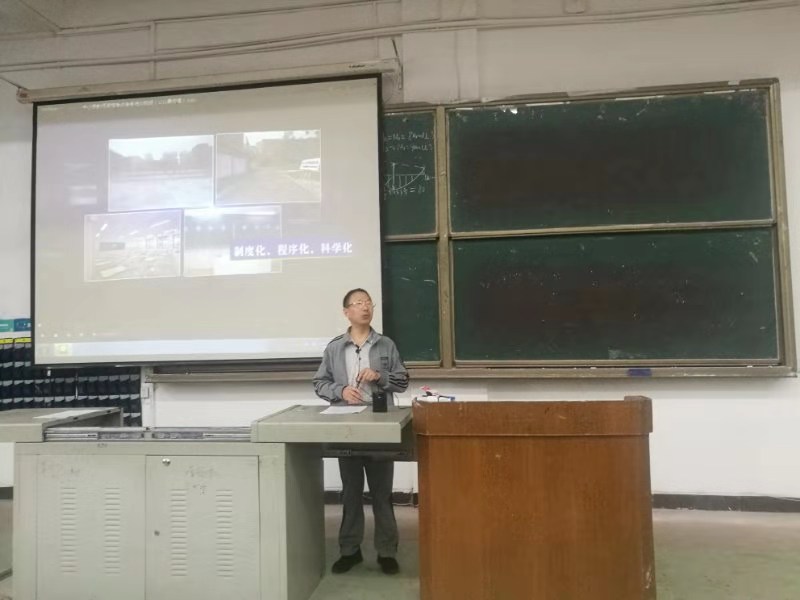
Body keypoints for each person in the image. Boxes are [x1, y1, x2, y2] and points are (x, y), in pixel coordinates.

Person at [312, 288, 409, 575]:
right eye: (358, 303)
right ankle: (349, 551)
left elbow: (402, 381)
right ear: (347, 312)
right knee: (351, 493)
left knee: (382, 493)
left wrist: (379, 376)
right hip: (347, 426)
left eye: (368, 303)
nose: (365, 307)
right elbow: (320, 383)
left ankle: (387, 552)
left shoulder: (386, 345)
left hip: (380, 426)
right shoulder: (335, 348)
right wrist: (340, 390)